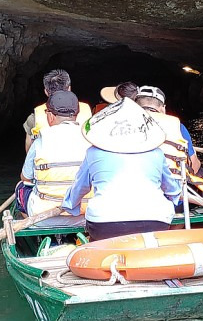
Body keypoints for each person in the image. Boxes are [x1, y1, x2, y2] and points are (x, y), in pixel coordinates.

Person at [61, 98, 182, 241]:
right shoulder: (157, 153)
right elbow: (172, 190)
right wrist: (174, 199)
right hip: (156, 221)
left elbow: (80, 188)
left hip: (104, 224)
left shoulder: (92, 153)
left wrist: (71, 206)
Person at [19, 91, 90, 216]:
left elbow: (25, 177)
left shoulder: (41, 139)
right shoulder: (92, 138)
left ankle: (29, 223)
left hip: (44, 215)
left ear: (51, 116)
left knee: (21, 188)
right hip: (86, 212)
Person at [134, 85, 202, 174]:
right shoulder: (177, 126)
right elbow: (194, 166)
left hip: (135, 178)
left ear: (135, 107)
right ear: (163, 108)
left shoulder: (124, 123)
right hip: (173, 181)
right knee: (201, 171)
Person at [24, 69, 92, 151]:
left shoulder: (34, 118)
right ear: (69, 88)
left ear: (46, 91)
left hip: (48, 162)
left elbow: (29, 146)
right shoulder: (87, 111)